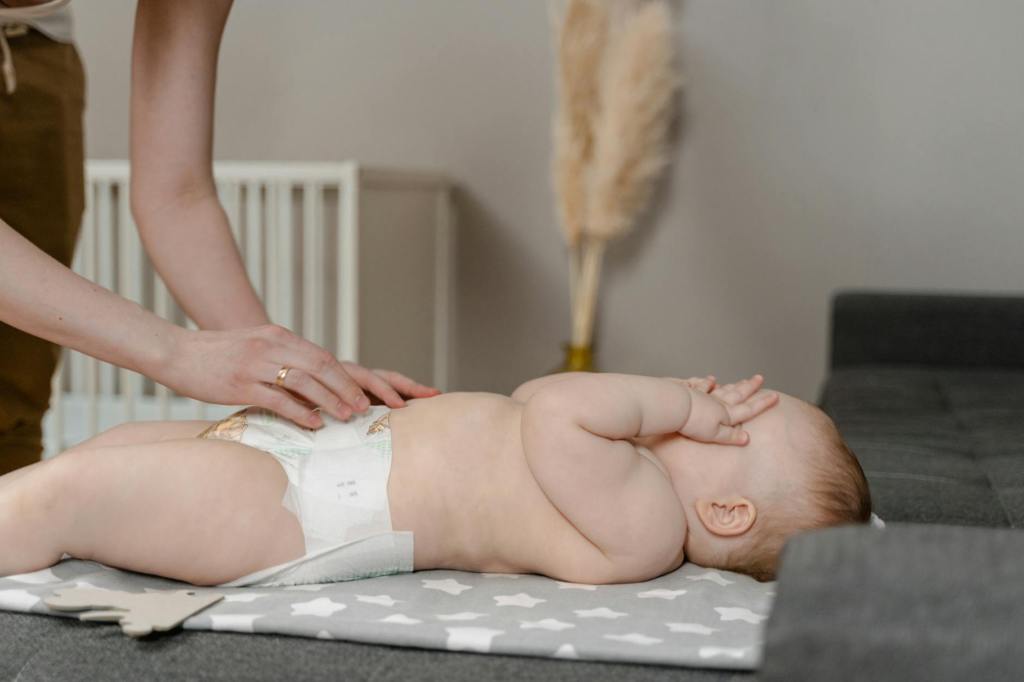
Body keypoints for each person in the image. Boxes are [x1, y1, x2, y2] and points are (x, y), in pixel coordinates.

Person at [0, 0, 439, 476]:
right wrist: (176, 352)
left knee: (12, 404)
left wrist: (285, 375)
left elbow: (177, 196)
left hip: (31, 51)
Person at [0, 374, 872, 585]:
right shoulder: (629, 469)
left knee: (72, 498)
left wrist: (670, 401)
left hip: (304, 511)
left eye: (730, 422)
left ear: (726, 512)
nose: (711, 404)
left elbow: (553, 408)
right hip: (316, 450)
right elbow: (535, 395)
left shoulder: (646, 527)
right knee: (105, 450)